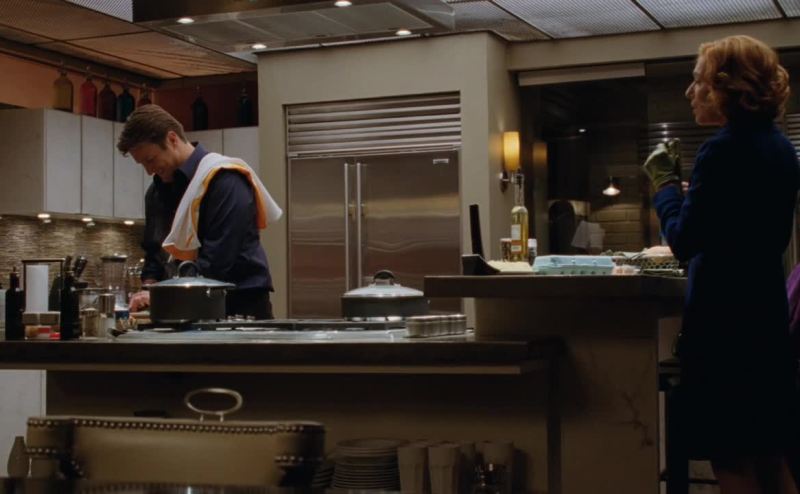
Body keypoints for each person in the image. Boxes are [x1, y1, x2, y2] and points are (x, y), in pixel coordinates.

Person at [643, 35, 799, 493]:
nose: (690, 92)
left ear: (728, 88)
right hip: (765, 320)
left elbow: (684, 240)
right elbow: (740, 222)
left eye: (699, 82)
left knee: (731, 460)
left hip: (724, 326)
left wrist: (665, 188)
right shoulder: (780, 147)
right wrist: (695, 195)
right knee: (771, 458)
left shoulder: (721, 150)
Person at [117, 105, 282, 319]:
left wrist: (163, 293)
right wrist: (148, 288)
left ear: (172, 139)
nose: (149, 171)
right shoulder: (156, 192)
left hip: (238, 304)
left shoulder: (225, 179)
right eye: (142, 164)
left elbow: (218, 260)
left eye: (150, 159)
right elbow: (155, 252)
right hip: (182, 305)